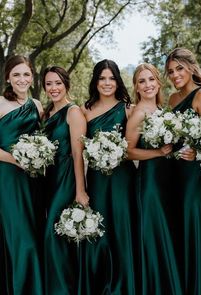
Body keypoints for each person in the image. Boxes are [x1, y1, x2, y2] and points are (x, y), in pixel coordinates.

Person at [78, 59, 139, 295]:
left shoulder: (127, 109)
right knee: (99, 232)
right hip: (97, 181)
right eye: (102, 78)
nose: (107, 83)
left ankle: (125, 287)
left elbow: (133, 146)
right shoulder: (85, 110)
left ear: (117, 81)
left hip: (123, 180)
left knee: (122, 231)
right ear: (95, 81)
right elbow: (78, 150)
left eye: (111, 78)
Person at [125, 63, 183, 295]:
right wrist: (158, 153)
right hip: (150, 185)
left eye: (151, 79)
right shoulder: (139, 113)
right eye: (142, 81)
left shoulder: (164, 109)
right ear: (136, 87)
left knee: (167, 235)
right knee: (156, 237)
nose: (147, 85)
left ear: (159, 82)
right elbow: (128, 151)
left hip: (168, 183)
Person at [165, 47, 201, 294]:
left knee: (193, 224)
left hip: (195, 175)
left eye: (179, 69)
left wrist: (198, 152)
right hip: (173, 173)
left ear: (190, 67)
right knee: (178, 227)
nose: (175, 75)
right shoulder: (173, 100)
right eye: (171, 71)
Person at [42, 66, 89, 295]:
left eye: (58, 83)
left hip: (66, 180)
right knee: (52, 235)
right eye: (49, 84)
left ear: (66, 84)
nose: (53, 88)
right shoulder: (45, 113)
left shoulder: (73, 112)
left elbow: (77, 154)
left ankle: (64, 290)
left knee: (55, 234)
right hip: (46, 181)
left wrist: (80, 190)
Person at [0, 55, 44, 294]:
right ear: (8, 77)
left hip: (33, 181)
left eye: (26, 74)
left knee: (34, 236)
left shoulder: (37, 106)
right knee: (22, 241)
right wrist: (17, 160)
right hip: (8, 179)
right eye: (16, 74)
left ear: (32, 77)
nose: (22, 79)